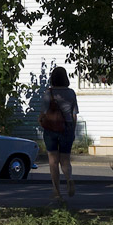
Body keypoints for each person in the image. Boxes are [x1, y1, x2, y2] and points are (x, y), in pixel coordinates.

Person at [42, 66, 80, 201]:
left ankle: (57, 191)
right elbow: (74, 114)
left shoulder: (48, 93)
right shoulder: (71, 93)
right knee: (65, 159)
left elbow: (45, 112)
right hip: (67, 127)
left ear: (53, 78)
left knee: (53, 161)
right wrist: (73, 130)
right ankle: (69, 179)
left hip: (51, 128)